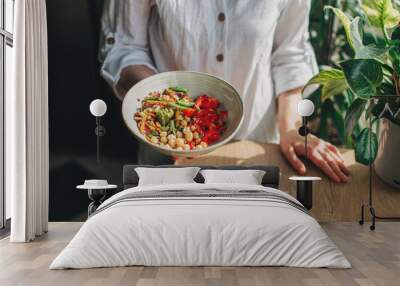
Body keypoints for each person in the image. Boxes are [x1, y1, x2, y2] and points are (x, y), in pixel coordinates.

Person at [100, 0, 350, 183]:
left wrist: (292, 129)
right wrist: (166, 106)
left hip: (256, 144)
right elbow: (125, 47)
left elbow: (290, 56)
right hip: (167, 145)